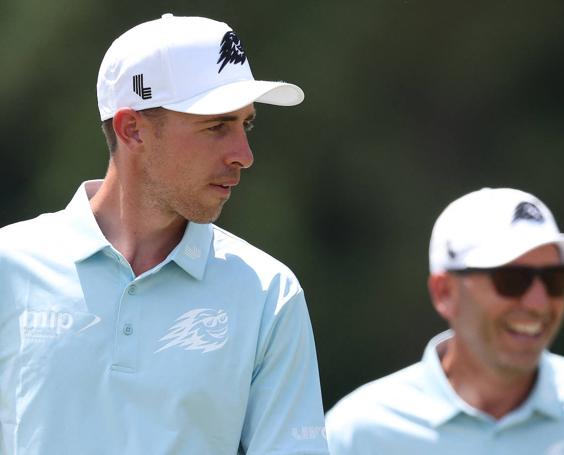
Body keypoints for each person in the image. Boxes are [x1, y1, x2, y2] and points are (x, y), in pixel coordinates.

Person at [0, 14, 328, 454]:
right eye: (217, 126)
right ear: (132, 129)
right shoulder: (10, 265)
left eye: (245, 124)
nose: (244, 155)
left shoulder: (268, 293)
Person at [326, 187, 564, 454]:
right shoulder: (355, 434)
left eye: (554, 279)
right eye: (511, 280)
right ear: (444, 293)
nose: (538, 303)